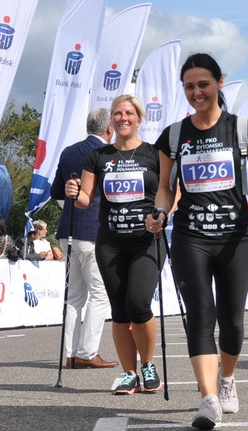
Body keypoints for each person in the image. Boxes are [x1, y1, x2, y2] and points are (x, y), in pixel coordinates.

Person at [146, 52, 248, 430]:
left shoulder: (242, 128)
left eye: (203, 85)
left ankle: (227, 380)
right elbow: (166, 188)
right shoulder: (173, 136)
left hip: (234, 239)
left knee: (232, 322)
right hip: (190, 237)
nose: (196, 92)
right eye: (189, 86)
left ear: (219, 83)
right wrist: (160, 212)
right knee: (200, 315)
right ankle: (208, 399)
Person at [65, 95, 163, 393]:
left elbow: (172, 191)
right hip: (110, 243)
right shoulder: (99, 156)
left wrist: (163, 214)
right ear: (111, 120)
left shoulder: (153, 154)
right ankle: (129, 373)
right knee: (120, 311)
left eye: (129, 113)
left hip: (146, 241)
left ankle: (148, 364)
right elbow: (85, 199)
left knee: (138, 304)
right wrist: (74, 192)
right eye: (118, 113)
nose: (123, 118)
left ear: (139, 118)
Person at [49, 109, 116, 370]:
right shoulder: (106, 153)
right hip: (94, 231)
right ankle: (87, 352)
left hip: (69, 229)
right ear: (108, 129)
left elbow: (56, 190)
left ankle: (70, 353)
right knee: (100, 294)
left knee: (75, 296)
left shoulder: (69, 152)